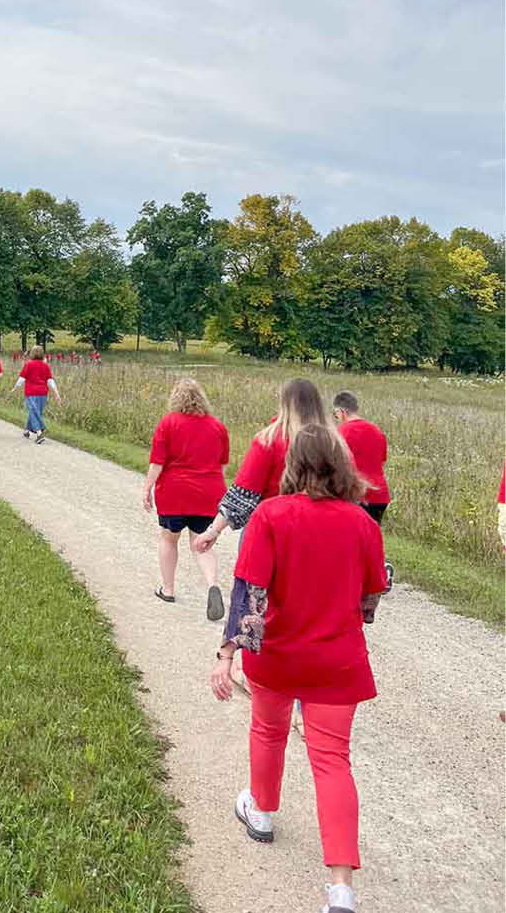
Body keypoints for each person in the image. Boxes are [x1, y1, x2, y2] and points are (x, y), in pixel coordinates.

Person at [210, 422, 385, 913]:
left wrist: (228, 653)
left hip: (279, 656)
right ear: (343, 466)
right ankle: (341, 889)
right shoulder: (362, 523)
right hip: (338, 662)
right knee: (332, 760)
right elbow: (370, 598)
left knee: (268, 731)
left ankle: (262, 814)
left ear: (293, 465)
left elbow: (250, 595)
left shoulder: (270, 516)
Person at [198, 378, 331, 554]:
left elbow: (244, 494)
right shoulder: (331, 442)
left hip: (269, 528)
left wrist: (213, 531)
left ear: (284, 404)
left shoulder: (270, 440)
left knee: (253, 580)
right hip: (317, 532)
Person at [145, 378, 232, 618]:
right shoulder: (217, 427)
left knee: (169, 539)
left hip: (174, 493)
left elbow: (157, 462)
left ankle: (168, 589)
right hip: (208, 494)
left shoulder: (168, 423)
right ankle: (213, 585)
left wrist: (147, 488)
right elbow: (223, 465)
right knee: (202, 544)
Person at [332, 392, 391, 524]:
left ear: (341, 411)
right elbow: (380, 462)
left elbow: (335, 465)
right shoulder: (377, 431)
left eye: (335, 415)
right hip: (380, 496)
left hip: (355, 495)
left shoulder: (341, 432)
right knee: (371, 539)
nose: (337, 418)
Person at [18, 349, 56, 442]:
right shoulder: (46, 366)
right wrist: (55, 392)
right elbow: (50, 380)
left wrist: (16, 387)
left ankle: (39, 432)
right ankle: (27, 430)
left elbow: (22, 378)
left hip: (31, 392)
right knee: (35, 411)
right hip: (43, 392)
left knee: (33, 411)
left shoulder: (28, 365)